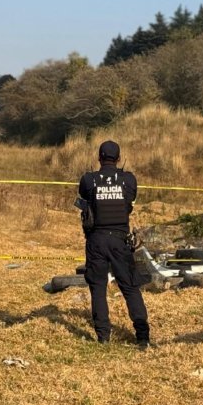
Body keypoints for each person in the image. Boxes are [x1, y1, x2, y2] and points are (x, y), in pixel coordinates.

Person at [78, 140, 150, 348]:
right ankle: (142, 335)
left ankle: (103, 336)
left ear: (99, 158)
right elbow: (130, 201)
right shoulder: (128, 180)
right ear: (118, 159)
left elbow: (84, 197)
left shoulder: (89, 180)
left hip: (97, 240)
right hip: (120, 240)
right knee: (129, 286)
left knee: (98, 287)